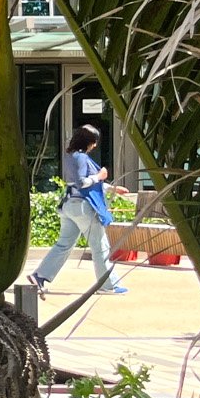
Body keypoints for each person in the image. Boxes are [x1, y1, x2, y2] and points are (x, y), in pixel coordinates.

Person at [31, 125, 126, 296]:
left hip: (69, 205)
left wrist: (112, 188)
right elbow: (82, 183)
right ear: (88, 142)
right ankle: (108, 286)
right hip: (82, 207)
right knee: (100, 245)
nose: (95, 146)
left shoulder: (70, 156)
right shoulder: (82, 158)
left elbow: (76, 183)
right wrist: (100, 176)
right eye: (94, 142)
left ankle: (40, 275)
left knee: (64, 244)